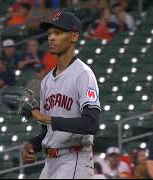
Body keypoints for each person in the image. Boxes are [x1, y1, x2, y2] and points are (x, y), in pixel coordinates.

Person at [21, 11, 101, 179]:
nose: (51, 38)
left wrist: (44, 118)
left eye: (58, 33)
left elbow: (91, 124)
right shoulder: (46, 81)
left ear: (73, 36)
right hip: (50, 162)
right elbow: (50, 131)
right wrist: (32, 144)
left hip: (75, 158)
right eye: (49, 33)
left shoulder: (83, 74)